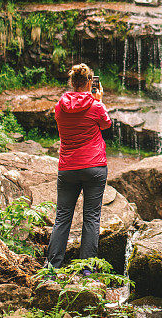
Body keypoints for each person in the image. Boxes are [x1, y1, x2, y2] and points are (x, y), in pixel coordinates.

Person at [44, 63, 111, 274]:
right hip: (94, 166)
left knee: (62, 216)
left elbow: (64, 124)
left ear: (72, 83)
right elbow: (106, 124)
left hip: (68, 168)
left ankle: (53, 267)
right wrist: (98, 102)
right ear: (90, 83)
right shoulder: (96, 105)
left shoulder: (59, 106)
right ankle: (87, 270)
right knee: (91, 217)